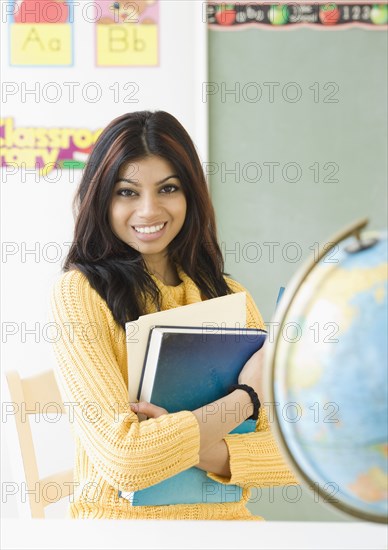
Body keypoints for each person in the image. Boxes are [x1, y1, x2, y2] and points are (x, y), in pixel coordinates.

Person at [50, 110, 297, 520]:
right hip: (121, 531)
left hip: (229, 528)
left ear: (191, 195)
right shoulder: (79, 294)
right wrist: (245, 399)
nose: (149, 210)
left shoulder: (230, 296)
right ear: (102, 198)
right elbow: (126, 462)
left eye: (168, 188)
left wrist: (177, 446)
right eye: (127, 192)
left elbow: (296, 451)